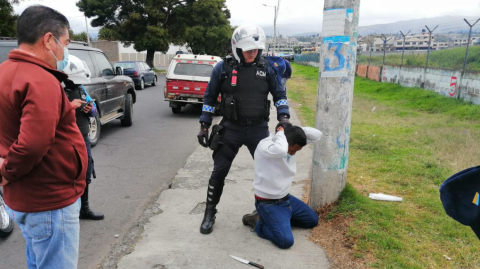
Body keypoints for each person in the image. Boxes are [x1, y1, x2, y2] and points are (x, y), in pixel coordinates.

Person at [0, 5, 87, 268]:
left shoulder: (6, 71)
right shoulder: (40, 80)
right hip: (49, 200)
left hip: (28, 198)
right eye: (65, 43)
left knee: (38, 261)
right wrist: (7, 171)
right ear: (48, 40)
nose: (65, 51)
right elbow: (32, 144)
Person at [197, 24, 291, 234]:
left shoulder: (267, 68)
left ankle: (264, 212)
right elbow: (210, 98)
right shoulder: (223, 68)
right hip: (231, 128)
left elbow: (280, 96)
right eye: (248, 50)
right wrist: (204, 125)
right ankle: (209, 213)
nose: (252, 54)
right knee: (219, 171)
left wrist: (284, 118)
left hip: (258, 129)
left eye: (256, 50)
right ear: (237, 49)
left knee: (268, 173)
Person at [242, 123, 322, 249]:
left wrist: (291, 130)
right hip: (268, 203)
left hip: (286, 199)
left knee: (311, 220)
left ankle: (279, 219)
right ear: (284, 142)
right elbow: (280, 150)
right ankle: (257, 221)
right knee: (285, 241)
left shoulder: (288, 138)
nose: (293, 154)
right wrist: (280, 133)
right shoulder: (266, 146)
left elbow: (317, 134)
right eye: (292, 150)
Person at [63, 55, 105, 220]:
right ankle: (68, 212)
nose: (78, 83)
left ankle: (84, 209)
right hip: (66, 141)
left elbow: (93, 108)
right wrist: (69, 107)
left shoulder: (81, 89)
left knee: (86, 172)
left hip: (83, 137)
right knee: (67, 175)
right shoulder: (58, 90)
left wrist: (90, 109)